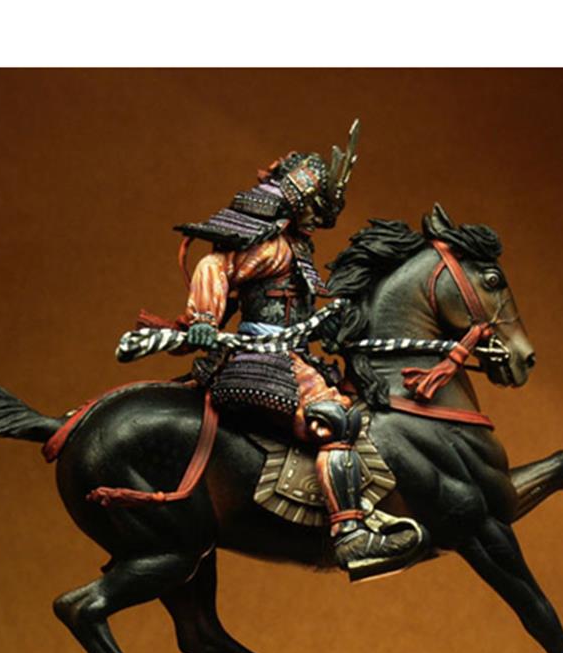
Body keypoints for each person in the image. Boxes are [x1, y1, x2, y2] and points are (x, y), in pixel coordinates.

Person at [174, 122, 419, 572]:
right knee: (335, 420)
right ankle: (350, 535)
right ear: (294, 205)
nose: (315, 219)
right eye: (311, 209)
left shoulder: (297, 248)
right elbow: (215, 265)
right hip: (260, 360)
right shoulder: (273, 248)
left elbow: (295, 312)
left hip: (293, 357)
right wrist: (206, 319)